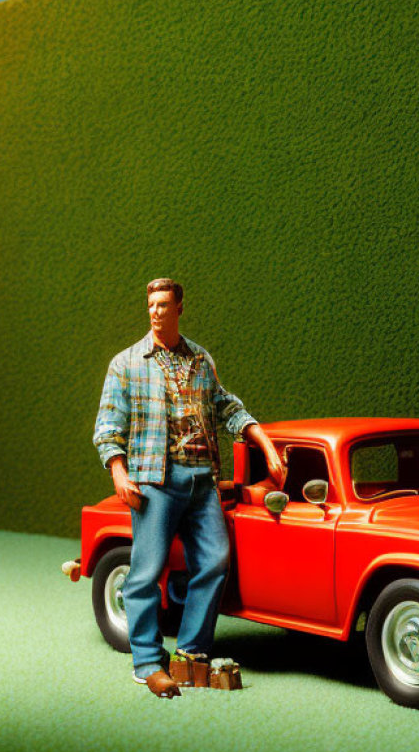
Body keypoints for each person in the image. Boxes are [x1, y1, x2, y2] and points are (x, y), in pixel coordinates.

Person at [93, 278, 284, 698]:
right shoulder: (126, 363)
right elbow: (107, 429)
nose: (156, 312)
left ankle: (191, 654)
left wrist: (265, 443)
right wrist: (120, 474)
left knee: (215, 561)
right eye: (151, 305)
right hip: (154, 480)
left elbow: (227, 407)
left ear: (180, 307)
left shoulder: (200, 359)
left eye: (164, 304)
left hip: (202, 479)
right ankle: (146, 661)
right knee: (146, 570)